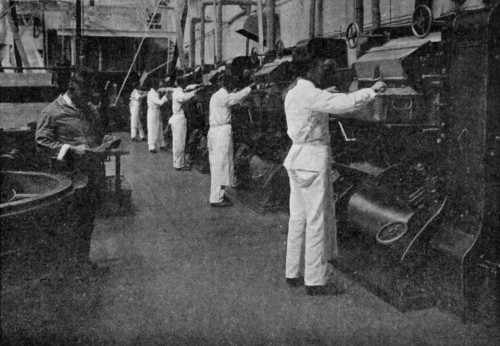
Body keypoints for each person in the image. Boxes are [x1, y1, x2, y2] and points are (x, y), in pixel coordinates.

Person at [283, 59, 386, 296]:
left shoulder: (294, 92)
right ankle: (316, 281)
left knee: (298, 218)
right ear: (309, 68)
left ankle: (293, 272)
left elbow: (316, 102)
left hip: (297, 158)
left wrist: (324, 94)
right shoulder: (311, 94)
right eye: (322, 68)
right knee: (317, 220)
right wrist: (371, 90)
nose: (326, 72)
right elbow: (344, 104)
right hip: (312, 159)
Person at [35, 70, 117, 271]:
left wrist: (105, 141)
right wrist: (70, 150)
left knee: (87, 221)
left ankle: (83, 262)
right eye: (85, 94)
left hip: (92, 175)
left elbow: (96, 134)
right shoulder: (52, 112)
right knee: (70, 224)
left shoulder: (88, 109)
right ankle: (69, 268)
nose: (89, 99)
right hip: (70, 180)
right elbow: (41, 143)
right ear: (72, 89)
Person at [208, 75, 256, 207]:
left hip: (216, 132)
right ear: (229, 85)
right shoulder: (223, 96)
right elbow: (236, 98)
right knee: (221, 164)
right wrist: (249, 88)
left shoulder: (217, 95)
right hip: (221, 134)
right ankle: (216, 198)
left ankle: (219, 195)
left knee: (219, 164)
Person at [169, 77, 199, 170]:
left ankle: (179, 163)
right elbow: (183, 97)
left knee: (179, 141)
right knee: (179, 142)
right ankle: (178, 164)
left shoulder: (178, 90)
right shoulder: (179, 93)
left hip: (179, 119)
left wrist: (197, 86)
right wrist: (194, 92)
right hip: (179, 119)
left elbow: (188, 89)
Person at [147, 79, 169, 153]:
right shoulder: (151, 93)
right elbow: (159, 102)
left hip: (157, 111)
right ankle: (151, 146)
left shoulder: (156, 92)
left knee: (159, 127)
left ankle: (161, 144)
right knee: (152, 128)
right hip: (152, 112)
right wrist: (166, 96)